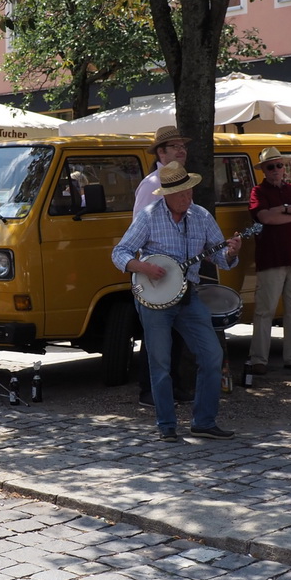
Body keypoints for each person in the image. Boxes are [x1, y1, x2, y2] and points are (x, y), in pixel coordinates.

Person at [113, 160, 243, 440]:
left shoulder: (201, 216)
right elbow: (120, 253)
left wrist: (231, 253)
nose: (188, 197)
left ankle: (204, 422)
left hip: (189, 294)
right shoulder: (148, 216)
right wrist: (144, 268)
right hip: (154, 298)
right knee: (160, 362)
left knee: (212, 355)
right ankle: (167, 426)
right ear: (167, 195)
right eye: (182, 193)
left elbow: (220, 257)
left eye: (190, 192)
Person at [133, 126, 197, 405]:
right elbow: (137, 230)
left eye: (183, 145)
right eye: (175, 146)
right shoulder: (151, 184)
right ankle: (150, 391)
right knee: (157, 335)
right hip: (156, 271)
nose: (181, 150)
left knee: (177, 333)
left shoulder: (181, 180)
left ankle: (175, 387)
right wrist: (146, 269)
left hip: (179, 269)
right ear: (161, 152)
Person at [247, 146, 291, 374]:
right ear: (264, 170)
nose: (276, 169)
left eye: (279, 165)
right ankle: (259, 359)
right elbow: (265, 218)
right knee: (264, 311)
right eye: (271, 166)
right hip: (271, 259)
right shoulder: (258, 192)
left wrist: (284, 210)